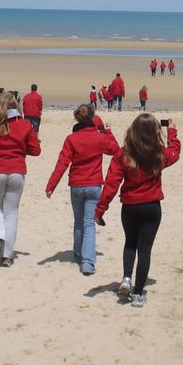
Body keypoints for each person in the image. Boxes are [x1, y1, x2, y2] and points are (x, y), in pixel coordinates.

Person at [96, 114, 181, 308]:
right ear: (154, 132)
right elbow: (174, 152)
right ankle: (138, 293)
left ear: (132, 131)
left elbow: (111, 184)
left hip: (130, 207)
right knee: (145, 249)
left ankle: (127, 278)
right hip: (151, 207)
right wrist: (172, 132)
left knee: (130, 243)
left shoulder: (123, 154)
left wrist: (101, 209)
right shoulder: (159, 153)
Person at [45, 104, 120, 275]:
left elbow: (62, 163)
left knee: (79, 222)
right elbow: (116, 150)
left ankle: (79, 254)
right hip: (93, 185)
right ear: (92, 118)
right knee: (88, 224)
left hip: (77, 186)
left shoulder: (71, 139)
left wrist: (51, 186)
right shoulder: (98, 137)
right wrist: (107, 131)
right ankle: (87, 261)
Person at [0, 91, 42, 268]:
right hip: (17, 171)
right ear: (17, 105)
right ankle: (7, 255)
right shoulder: (25, 125)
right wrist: (20, 149)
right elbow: (36, 150)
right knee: (11, 212)